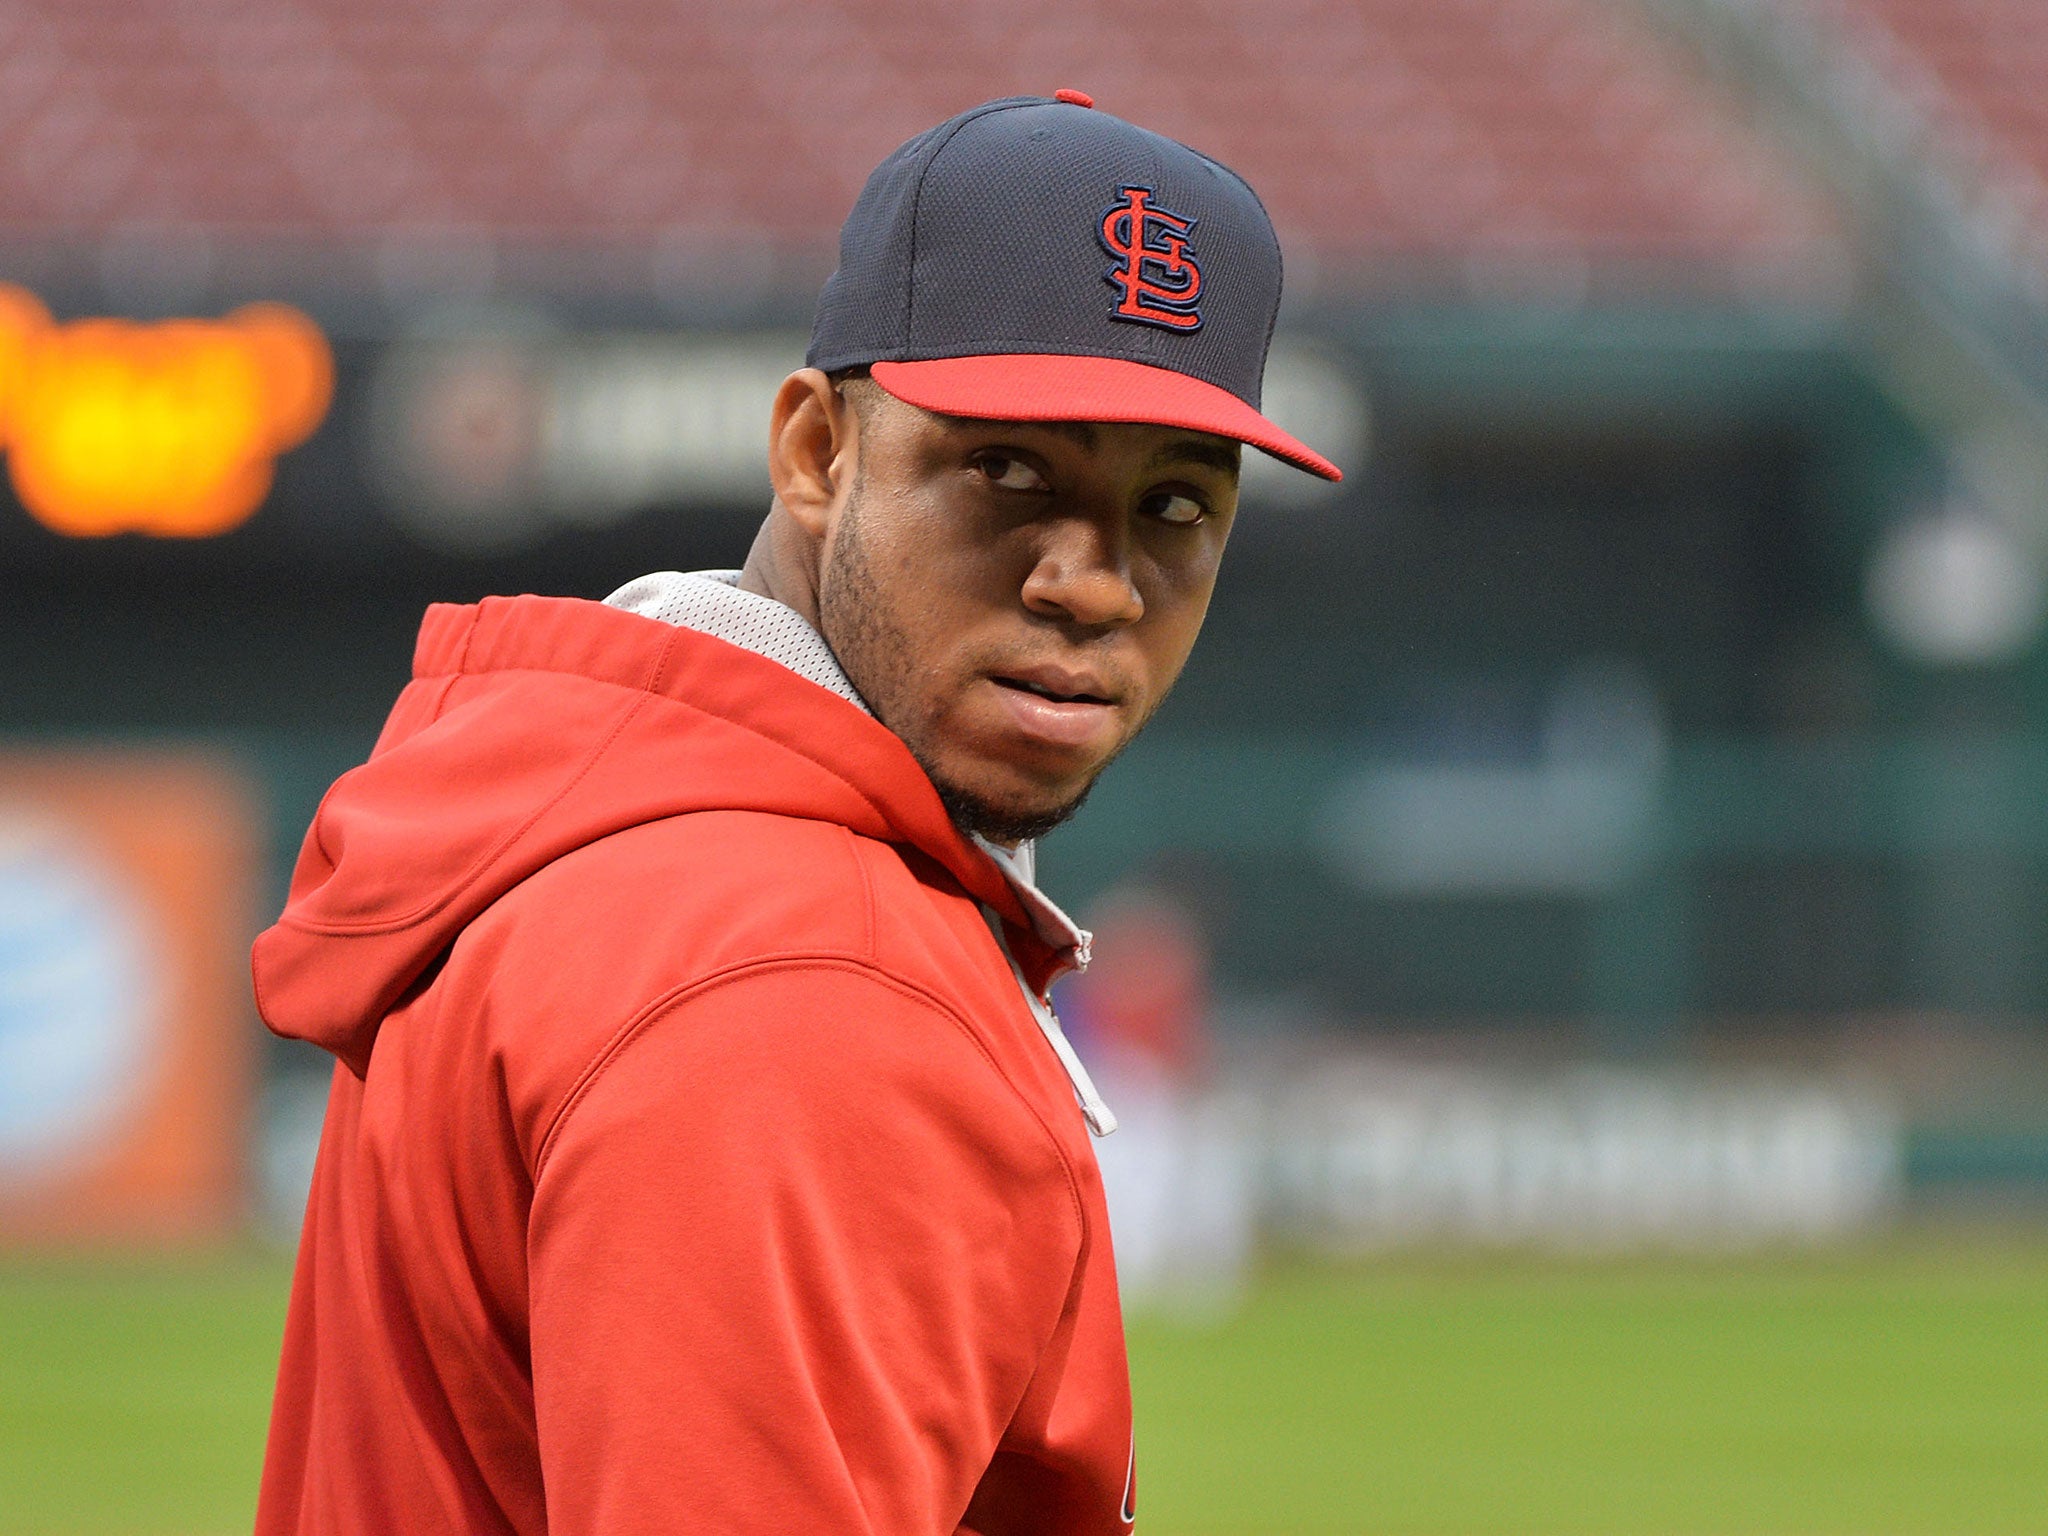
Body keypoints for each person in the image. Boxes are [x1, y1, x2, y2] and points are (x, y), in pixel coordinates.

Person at [252, 91, 1338, 1535]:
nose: (1096, 581)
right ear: (819, 454)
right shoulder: (806, 975)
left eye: (1179, 505)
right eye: (1005, 471)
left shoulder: (606, 826)